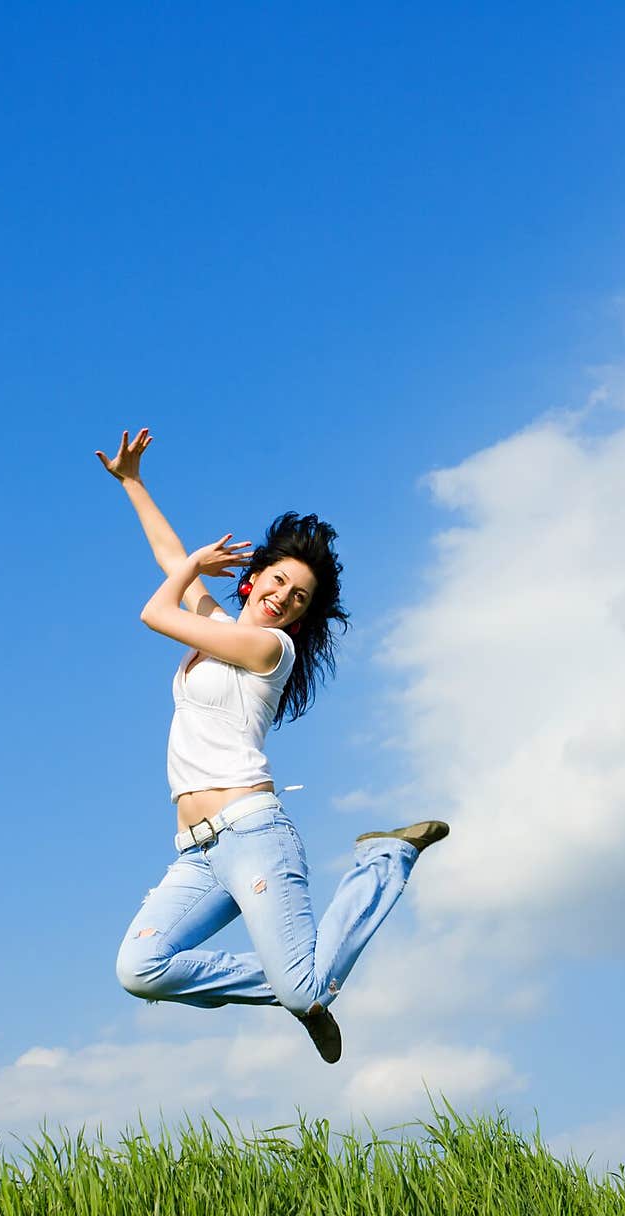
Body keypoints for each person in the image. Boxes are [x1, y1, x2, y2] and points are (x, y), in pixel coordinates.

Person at [96, 426, 449, 1063]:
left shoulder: (269, 649)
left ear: (299, 617)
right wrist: (133, 484)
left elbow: (155, 611)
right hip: (198, 853)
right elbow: (168, 557)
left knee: (306, 986)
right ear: (252, 578)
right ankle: (293, 986)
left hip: (253, 833)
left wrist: (189, 571)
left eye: (299, 598)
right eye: (277, 581)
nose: (283, 598)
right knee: (140, 968)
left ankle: (384, 858)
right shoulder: (221, 632)